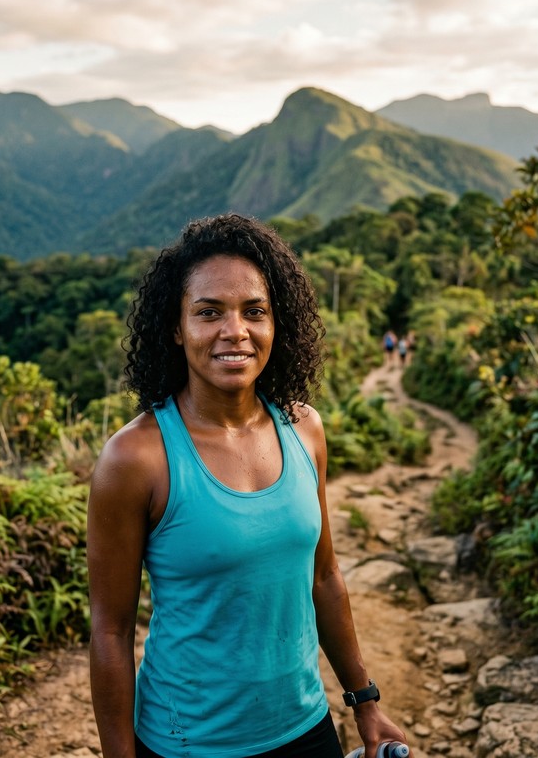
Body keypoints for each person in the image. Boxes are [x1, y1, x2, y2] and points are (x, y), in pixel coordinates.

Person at [87, 213, 412, 758]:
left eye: (254, 312)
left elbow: (324, 577)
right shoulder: (136, 458)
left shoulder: (304, 429)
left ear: (276, 323)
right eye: (208, 312)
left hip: (306, 727)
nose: (234, 330)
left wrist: (365, 701)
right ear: (176, 328)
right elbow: (111, 632)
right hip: (188, 744)